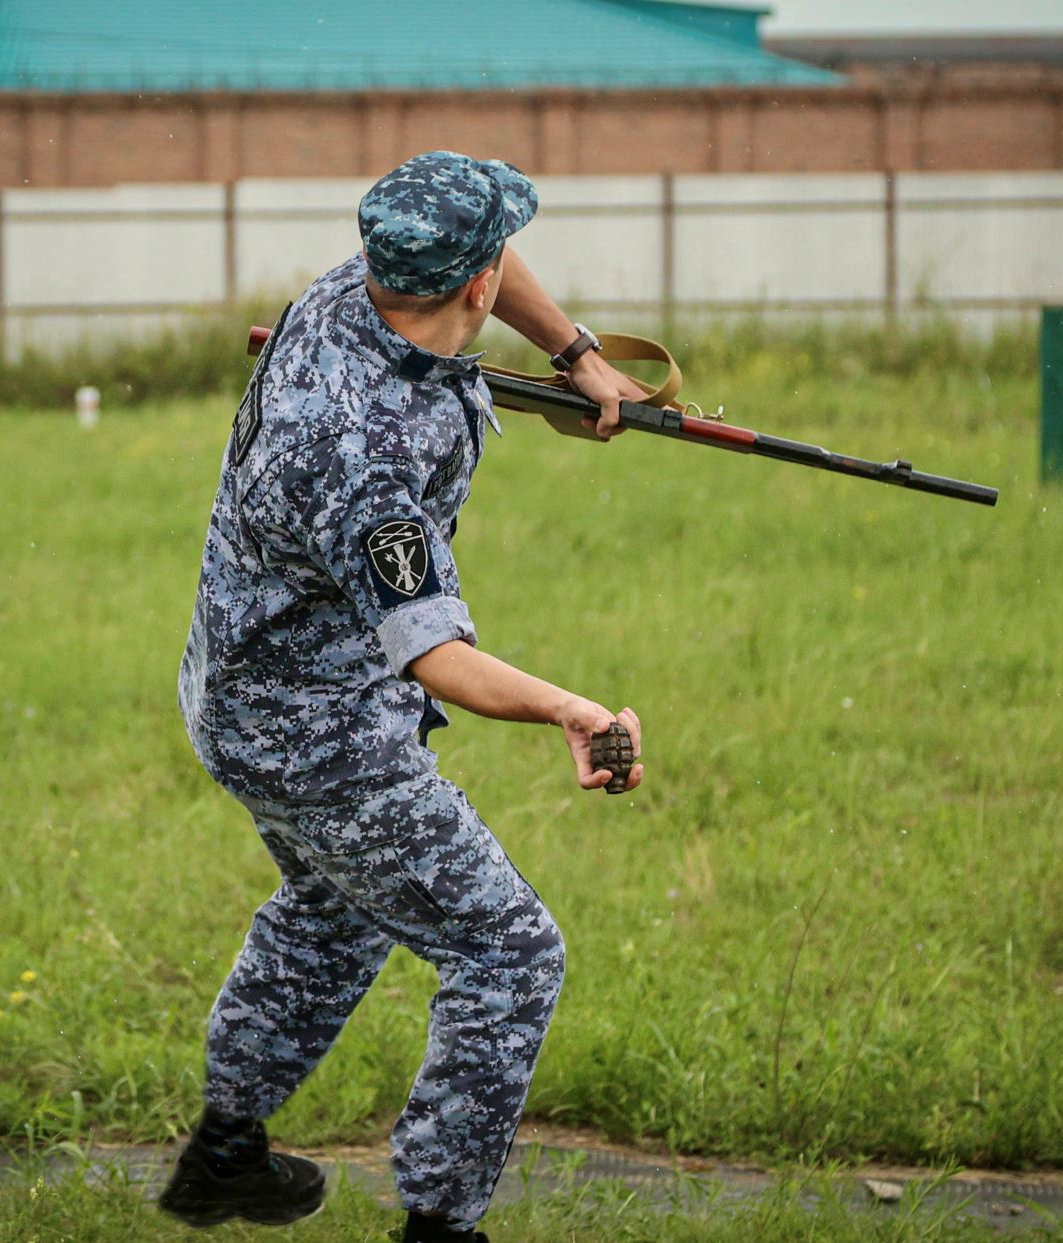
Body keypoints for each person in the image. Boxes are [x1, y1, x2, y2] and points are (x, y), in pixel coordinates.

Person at [163, 150, 647, 1243]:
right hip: (310, 727)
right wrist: (571, 707)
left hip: (241, 687)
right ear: (472, 287)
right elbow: (437, 656)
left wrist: (579, 358)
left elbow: (485, 256)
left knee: (335, 909)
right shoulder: (358, 452)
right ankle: (440, 1225)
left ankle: (222, 1158)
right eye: (496, 269)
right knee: (509, 952)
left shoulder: (362, 286)